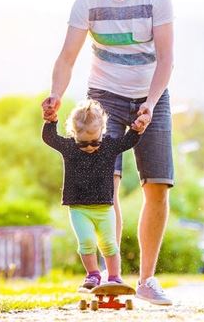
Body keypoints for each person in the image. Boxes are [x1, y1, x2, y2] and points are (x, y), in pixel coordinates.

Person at [41, 0, 174, 305]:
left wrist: (149, 103)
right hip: (105, 97)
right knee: (104, 185)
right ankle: (108, 276)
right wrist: (55, 94)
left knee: (158, 186)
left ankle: (147, 280)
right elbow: (67, 58)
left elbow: (166, 58)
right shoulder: (87, 0)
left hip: (152, 94)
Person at [42, 99, 146, 290]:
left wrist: (137, 128)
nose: (89, 146)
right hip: (79, 209)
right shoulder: (69, 147)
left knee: (109, 244)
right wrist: (51, 121)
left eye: (94, 141)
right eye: (83, 143)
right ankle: (93, 274)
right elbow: (50, 138)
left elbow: (128, 141)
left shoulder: (109, 146)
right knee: (87, 242)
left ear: (102, 131)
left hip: (105, 208)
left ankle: (114, 277)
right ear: (74, 134)